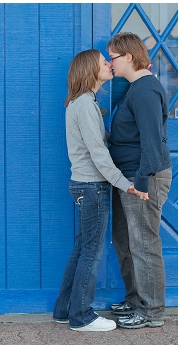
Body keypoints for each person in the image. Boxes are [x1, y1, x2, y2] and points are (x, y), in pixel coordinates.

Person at [52, 49, 143, 332]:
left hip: (84, 185)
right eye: (105, 62)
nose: (109, 65)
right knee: (90, 252)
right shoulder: (84, 105)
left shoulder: (82, 102)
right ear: (91, 70)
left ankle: (65, 310)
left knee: (82, 250)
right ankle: (82, 317)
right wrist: (125, 184)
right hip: (92, 186)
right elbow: (98, 154)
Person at [105, 32, 172, 329]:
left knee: (144, 244)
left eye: (113, 57)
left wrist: (142, 182)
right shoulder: (136, 88)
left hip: (142, 177)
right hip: (127, 178)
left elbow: (153, 142)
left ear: (129, 57)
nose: (110, 64)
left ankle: (152, 311)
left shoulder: (145, 90)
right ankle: (135, 300)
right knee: (126, 241)